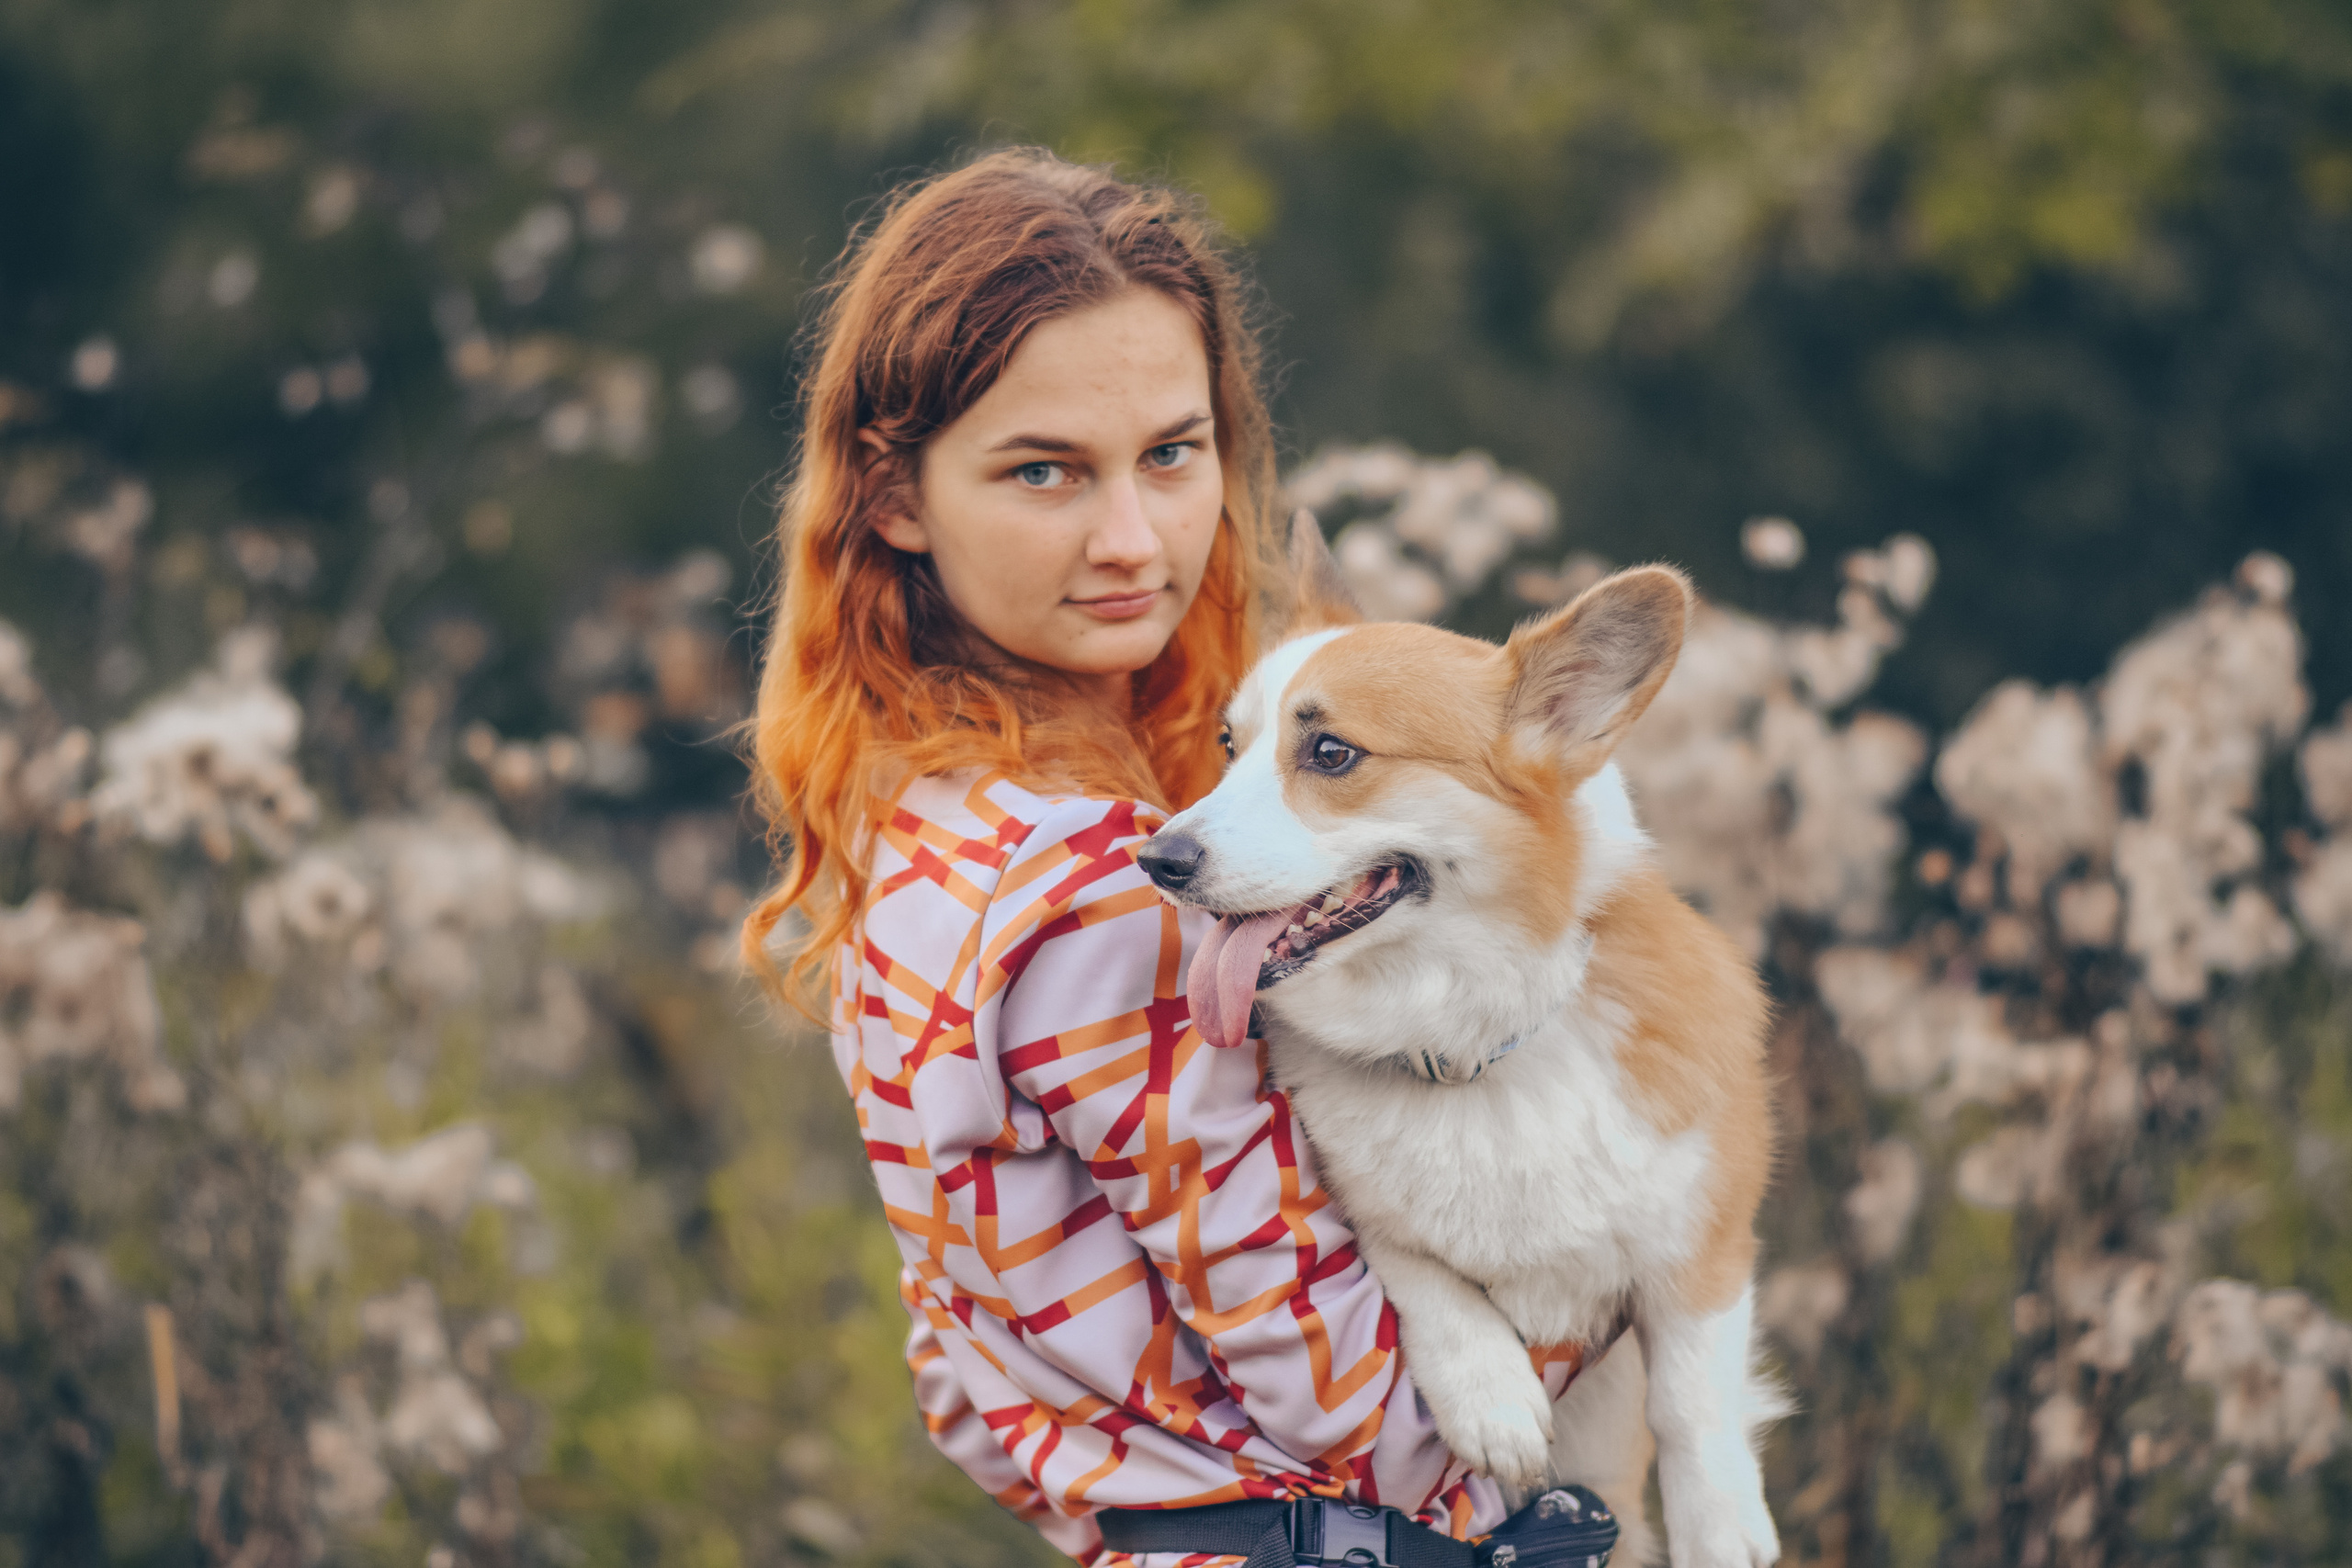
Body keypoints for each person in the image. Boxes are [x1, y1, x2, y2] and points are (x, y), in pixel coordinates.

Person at [741, 149, 1589, 1566]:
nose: (1134, 540)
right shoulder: (1108, 888)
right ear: (893, 498)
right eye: (1044, 472)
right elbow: (1361, 1413)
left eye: (1172, 455)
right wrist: (1624, 1279)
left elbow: (960, 1389)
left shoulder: (921, 838)